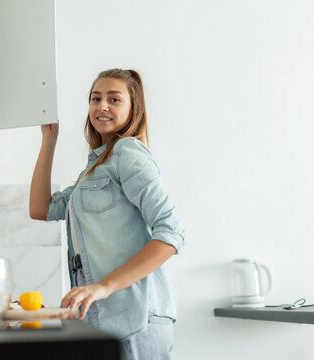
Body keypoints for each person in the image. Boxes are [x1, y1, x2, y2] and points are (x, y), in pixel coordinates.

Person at [29, 68, 185, 360]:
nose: (102, 106)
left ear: (133, 109)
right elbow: (41, 209)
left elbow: (171, 234)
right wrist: (48, 140)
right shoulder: (95, 169)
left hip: (137, 319)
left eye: (114, 99)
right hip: (106, 321)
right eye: (95, 98)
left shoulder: (128, 153)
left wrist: (102, 287)